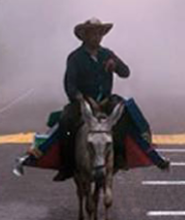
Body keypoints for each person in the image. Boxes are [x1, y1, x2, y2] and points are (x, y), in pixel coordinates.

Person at [52, 17, 169, 181]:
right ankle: (67, 165)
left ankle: (121, 157)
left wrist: (116, 66)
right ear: (84, 36)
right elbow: (70, 85)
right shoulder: (75, 57)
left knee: (126, 115)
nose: (96, 37)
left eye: (99, 33)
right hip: (83, 103)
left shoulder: (108, 55)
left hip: (106, 102)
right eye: (92, 33)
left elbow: (126, 72)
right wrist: (82, 100)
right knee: (66, 121)